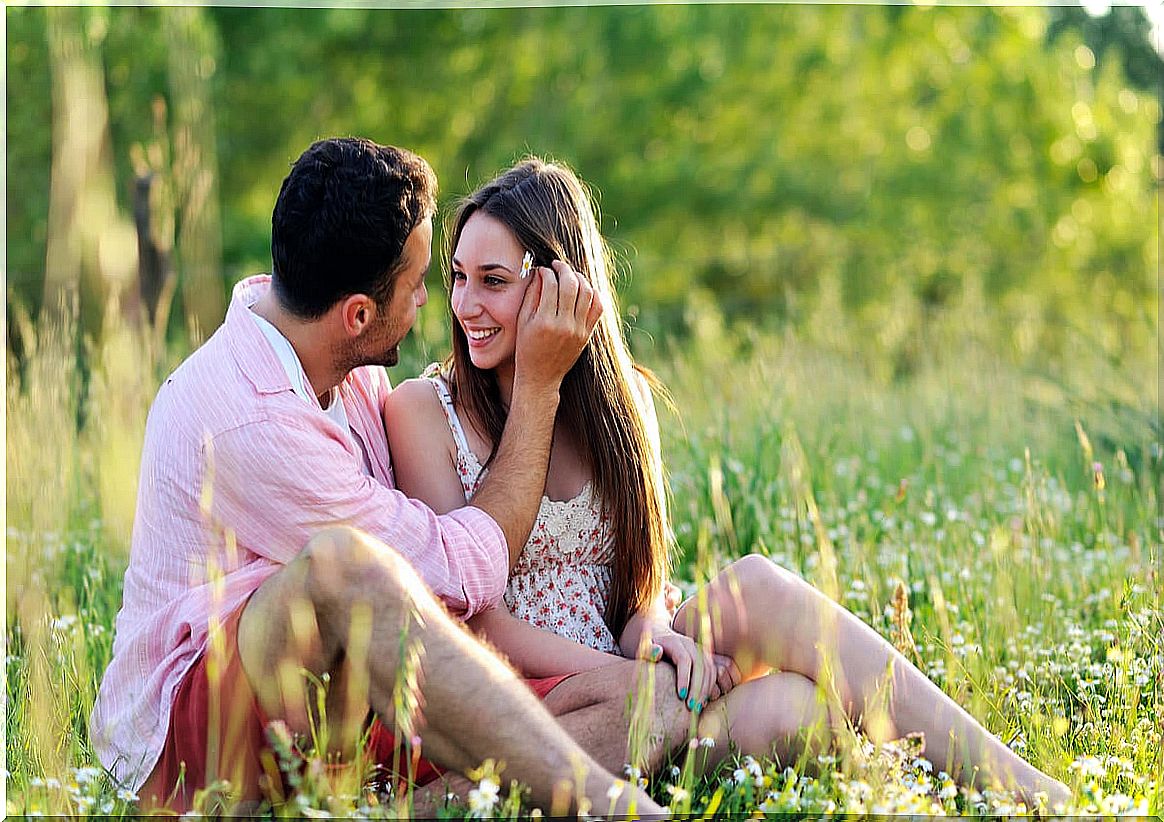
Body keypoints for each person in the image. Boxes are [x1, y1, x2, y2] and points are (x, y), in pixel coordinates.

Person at [383, 156, 1073, 809]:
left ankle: (1019, 789)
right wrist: (632, 679)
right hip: (534, 701)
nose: (466, 303)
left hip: (639, 679)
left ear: (561, 285)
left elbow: (639, 581)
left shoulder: (625, 406)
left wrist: (655, 639)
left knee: (778, 664)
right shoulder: (423, 411)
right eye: (459, 276)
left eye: (493, 281)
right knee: (777, 709)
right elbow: (472, 618)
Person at [89, 138, 683, 817]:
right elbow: (461, 574)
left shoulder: (338, 359)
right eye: (421, 284)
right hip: (199, 743)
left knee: (644, 703)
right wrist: (538, 390)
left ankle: (402, 811)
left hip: (349, 702)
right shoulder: (248, 420)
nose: (437, 304)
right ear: (359, 316)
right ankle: (616, 807)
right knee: (342, 566)